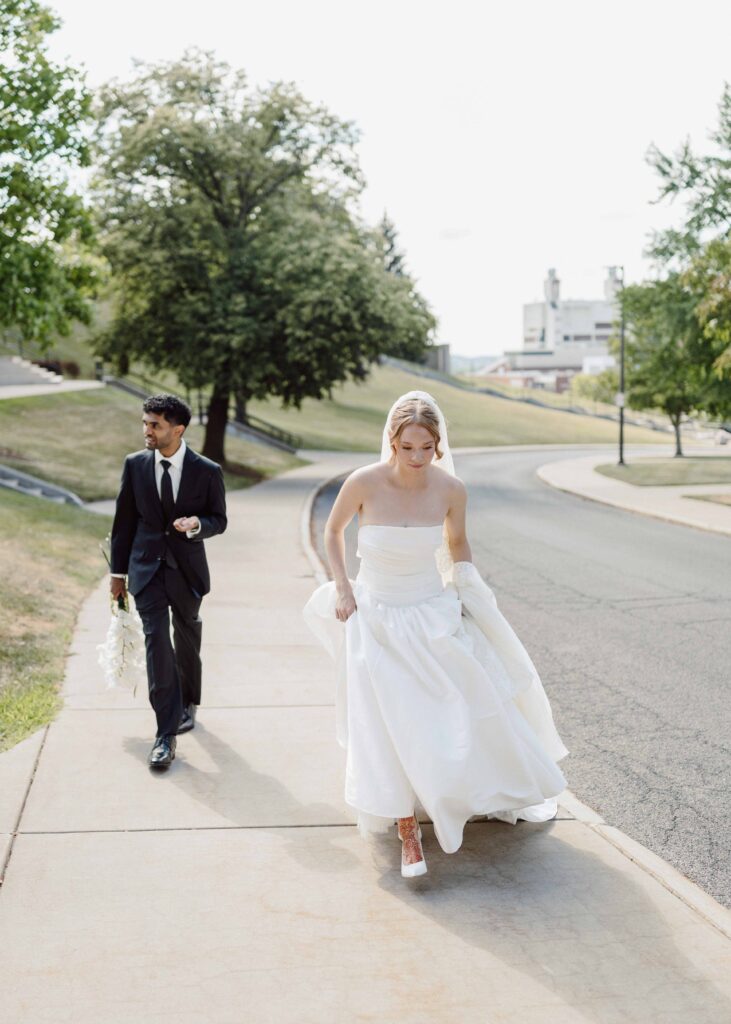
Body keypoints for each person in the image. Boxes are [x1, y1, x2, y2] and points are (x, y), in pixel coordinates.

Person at [304, 391, 569, 878]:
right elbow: (333, 532)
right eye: (408, 447)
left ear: (438, 444)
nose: (418, 457)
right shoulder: (363, 482)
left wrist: (466, 587)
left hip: (429, 608)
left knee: (455, 706)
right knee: (385, 715)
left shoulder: (451, 489)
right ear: (393, 441)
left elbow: (457, 541)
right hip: (376, 611)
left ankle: (461, 790)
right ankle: (407, 829)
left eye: (427, 447)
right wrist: (342, 587)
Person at [110, 394, 227, 770]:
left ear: (177, 430)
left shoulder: (207, 470)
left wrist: (196, 525)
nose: (147, 430)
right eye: (145, 423)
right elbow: (123, 522)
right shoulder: (135, 465)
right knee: (157, 642)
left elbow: (219, 519)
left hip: (187, 570)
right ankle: (165, 734)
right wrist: (117, 574)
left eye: (155, 425)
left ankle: (188, 700)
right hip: (146, 570)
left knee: (187, 635)